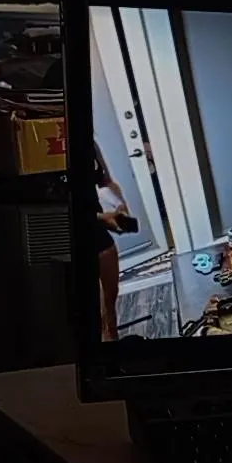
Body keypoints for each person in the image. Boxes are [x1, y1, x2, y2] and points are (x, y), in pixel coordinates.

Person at [94, 142, 137, 341]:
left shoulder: (91, 144)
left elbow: (106, 182)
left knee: (110, 302)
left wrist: (120, 205)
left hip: (100, 237)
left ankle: (113, 337)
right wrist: (103, 218)